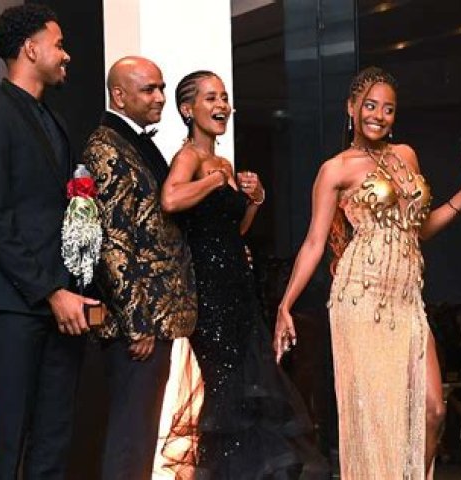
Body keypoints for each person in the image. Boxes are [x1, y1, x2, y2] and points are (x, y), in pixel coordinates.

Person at [274, 66, 461, 479]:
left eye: (388, 109)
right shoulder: (335, 169)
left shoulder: (406, 155)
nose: (379, 116)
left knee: (433, 410)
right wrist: (286, 305)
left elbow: (418, 229)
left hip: (407, 298)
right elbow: (314, 243)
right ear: (351, 108)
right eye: (370, 106)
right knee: (377, 421)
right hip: (362, 296)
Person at [159, 70, 330, 479]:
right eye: (211, 98)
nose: (222, 105)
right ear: (188, 109)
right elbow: (170, 199)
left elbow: (231, 232)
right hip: (211, 296)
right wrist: (216, 181)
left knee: (251, 391)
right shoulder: (190, 157)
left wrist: (254, 200)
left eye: (224, 98)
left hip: (240, 290)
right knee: (228, 392)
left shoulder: (222, 162)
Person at [0, 5, 97, 478]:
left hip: (63, 304)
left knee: (54, 437)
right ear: (30, 49)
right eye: (58, 44)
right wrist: (49, 291)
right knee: (8, 435)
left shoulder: (53, 119)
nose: (67, 55)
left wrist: (73, 286)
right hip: (15, 305)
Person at [81, 56, 198, 480]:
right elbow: (112, 241)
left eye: (161, 87)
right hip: (136, 323)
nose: (160, 97)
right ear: (119, 95)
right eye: (149, 89)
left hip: (154, 317)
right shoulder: (106, 147)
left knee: (141, 435)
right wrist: (138, 321)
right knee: (130, 437)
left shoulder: (133, 142)